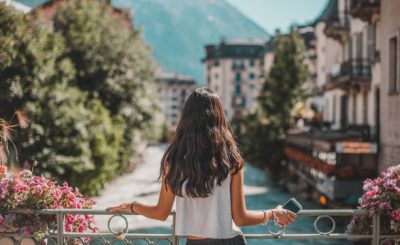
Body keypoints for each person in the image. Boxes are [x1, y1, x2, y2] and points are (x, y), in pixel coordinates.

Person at [107, 88, 297, 244]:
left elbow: (161, 213)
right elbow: (240, 218)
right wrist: (273, 213)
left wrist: (132, 206)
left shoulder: (173, 161)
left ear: (186, 118)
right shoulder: (231, 159)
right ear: (219, 117)